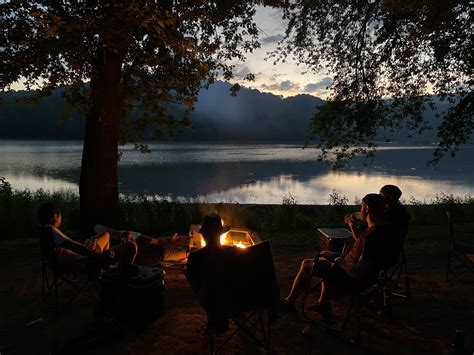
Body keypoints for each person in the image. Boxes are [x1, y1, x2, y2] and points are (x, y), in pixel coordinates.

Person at [281, 194, 395, 314]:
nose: (359, 210)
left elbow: (358, 273)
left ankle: (289, 302)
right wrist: (352, 227)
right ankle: (323, 302)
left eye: (361, 207)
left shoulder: (372, 236)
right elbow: (364, 247)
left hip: (350, 277)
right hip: (360, 270)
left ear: (367, 210)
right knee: (325, 253)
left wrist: (342, 262)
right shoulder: (381, 229)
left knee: (306, 264)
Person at [37, 203, 137, 273]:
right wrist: (95, 255)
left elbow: (70, 247)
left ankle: (103, 269)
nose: (60, 217)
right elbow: (71, 246)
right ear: (54, 216)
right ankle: (115, 274)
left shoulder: (44, 230)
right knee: (131, 246)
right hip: (84, 261)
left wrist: (86, 246)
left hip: (79, 257)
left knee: (105, 234)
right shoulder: (50, 230)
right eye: (59, 215)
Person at [185, 213, 237, 333]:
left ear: (203, 235)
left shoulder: (195, 257)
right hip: (236, 297)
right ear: (221, 234)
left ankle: (214, 321)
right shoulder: (234, 253)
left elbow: (195, 284)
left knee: (208, 289)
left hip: (210, 299)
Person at [93, 225, 188, 265]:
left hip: (141, 246)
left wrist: (170, 240)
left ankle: (181, 244)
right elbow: (97, 227)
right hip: (149, 251)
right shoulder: (127, 243)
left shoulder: (140, 240)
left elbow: (158, 242)